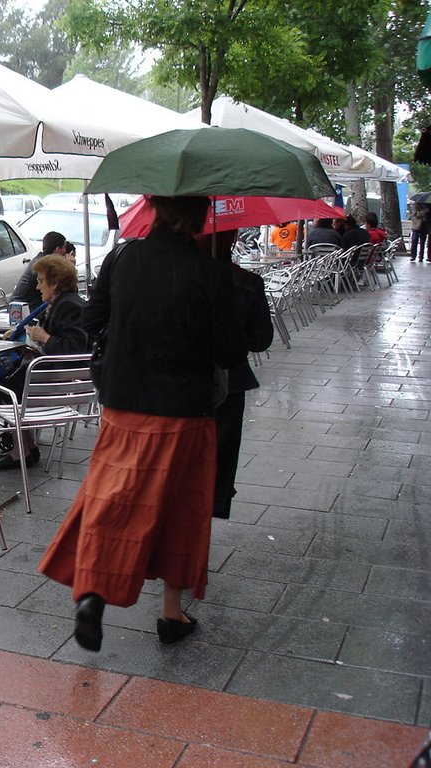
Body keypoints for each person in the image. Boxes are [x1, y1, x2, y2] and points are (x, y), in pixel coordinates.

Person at [38, 195, 246, 653]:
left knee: (109, 497)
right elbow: (231, 353)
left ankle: (92, 593)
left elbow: (93, 321)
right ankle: (172, 612)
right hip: (184, 410)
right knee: (181, 510)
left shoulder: (123, 257)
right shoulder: (210, 272)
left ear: (155, 209)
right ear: (198, 216)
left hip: (123, 403)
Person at [0, 255, 88, 471]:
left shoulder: (68, 306)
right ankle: (27, 447)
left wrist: (44, 338)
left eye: (41, 280)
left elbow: (75, 349)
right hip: (52, 377)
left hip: (59, 382)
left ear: (55, 283)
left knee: (3, 388)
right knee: (8, 381)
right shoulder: (61, 303)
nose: (37, 285)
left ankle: (21, 451)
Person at [202, 230, 275, 519]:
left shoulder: (171, 278)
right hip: (230, 380)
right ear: (231, 239)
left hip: (177, 381)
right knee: (220, 455)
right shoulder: (246, 282)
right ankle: (213, 504)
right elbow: (261, 340)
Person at [11, 230, 67, 307]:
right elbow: (63, 291)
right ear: (57, 249)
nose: (65, 251)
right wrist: (69, 267)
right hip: (27, 309)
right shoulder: (45, 265)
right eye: (64, 248)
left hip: (24, 305)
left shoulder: (40, 259)